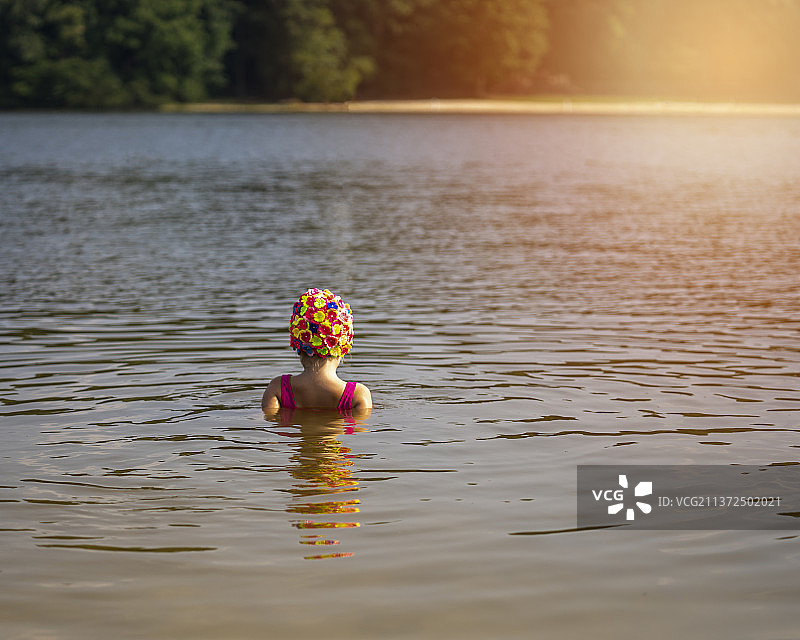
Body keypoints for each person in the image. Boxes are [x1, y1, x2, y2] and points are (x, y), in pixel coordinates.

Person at [262, 288, 372, 415]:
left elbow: (267, 418)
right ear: (343, 346)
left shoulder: (278, 388)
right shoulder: (358, 395)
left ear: (298, 343)